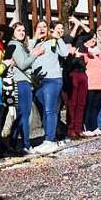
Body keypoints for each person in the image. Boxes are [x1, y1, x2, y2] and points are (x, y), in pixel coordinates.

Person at [30, 19, 69, 152]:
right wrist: (35, 38)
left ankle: (50, 139)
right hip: (38, 82)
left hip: (52, 79)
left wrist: (58, 39)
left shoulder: (52, 42)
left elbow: (65, 53)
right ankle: (49, 137)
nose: (42, 29)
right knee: (44, 112)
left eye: (44, 27)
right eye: (39, 27)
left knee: (50, 110)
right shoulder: (32, 43)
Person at [4, 22, 34, 153]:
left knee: (21, 115)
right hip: (21, 82)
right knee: (25, 114)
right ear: (13, 33)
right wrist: (35, 54)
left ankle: (14, 143)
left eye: (23, 30)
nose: (22, 32)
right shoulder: (15, 45)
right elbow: (22, 64)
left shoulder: (19, 45)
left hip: (22, 81)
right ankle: (26, 144)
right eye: (19, 30)